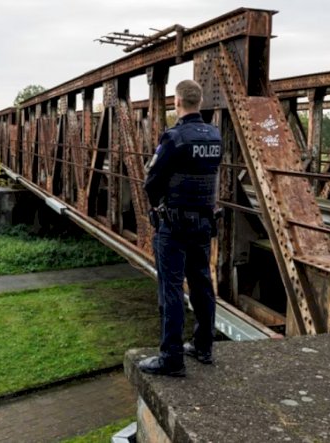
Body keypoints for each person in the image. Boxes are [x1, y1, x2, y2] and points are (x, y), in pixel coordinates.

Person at [140, 79, 222, 377]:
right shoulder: (214, 136)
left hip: (173, 224)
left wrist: (157, 207)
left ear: (177, 103)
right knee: (202, 283)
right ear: (199, 102)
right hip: (203, 222)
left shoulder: (174, 138)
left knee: (171, 288)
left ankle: (171, 357)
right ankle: (203, 346)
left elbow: (152, 181)